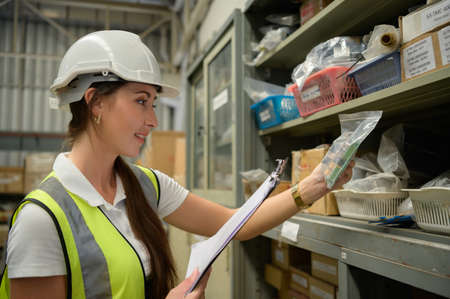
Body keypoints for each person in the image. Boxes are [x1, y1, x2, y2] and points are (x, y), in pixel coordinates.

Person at [0, 30, 353, 299]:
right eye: (141, 101)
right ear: (95, 102)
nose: (154, 119)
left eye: (153, 103)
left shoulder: (144, 185)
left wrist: (313, 186)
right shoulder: (41, 220)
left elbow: (237, 225)